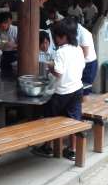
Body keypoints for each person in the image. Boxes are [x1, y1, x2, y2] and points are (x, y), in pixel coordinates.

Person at [35, 18, 85, 159]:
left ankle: (49, 147)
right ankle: (72, 150)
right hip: (77, 88)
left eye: (56, 36)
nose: (55, 39)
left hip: (62, 92)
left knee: (50, 118)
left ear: (63, 36)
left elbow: (58, 73)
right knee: (74, 119)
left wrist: (50, 67)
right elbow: (81, 66)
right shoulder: (78, 49)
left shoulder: (61, 52)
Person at [76, 21, 97, 99]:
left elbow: (85, 53)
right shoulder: (75, 31)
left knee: (85, 91)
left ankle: (86, 107)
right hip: (81, 63)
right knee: (79, 90)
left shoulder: (84, 33)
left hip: (89, 64)